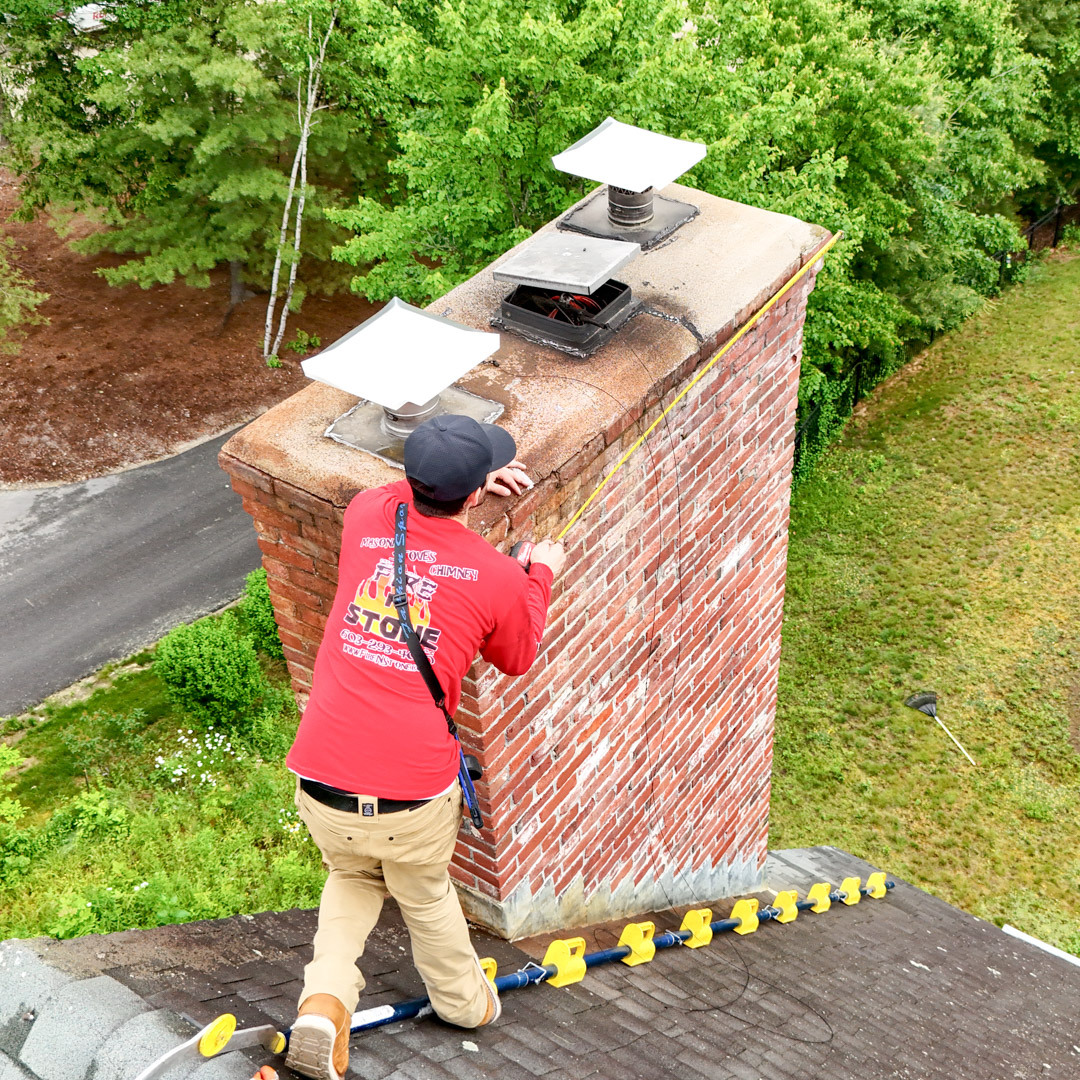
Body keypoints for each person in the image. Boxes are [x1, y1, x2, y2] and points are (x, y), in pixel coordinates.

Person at [284, 414, 566, 1080]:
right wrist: (540, 574)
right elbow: (518, 653)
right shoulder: (496, 575)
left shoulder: (366, 513)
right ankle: (465, 1004)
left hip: (321, 773)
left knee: (351, 877)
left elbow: (407, 501)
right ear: (474, 494)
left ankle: (323, 1006)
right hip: (412, 791)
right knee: (424, 893)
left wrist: (465, 484)